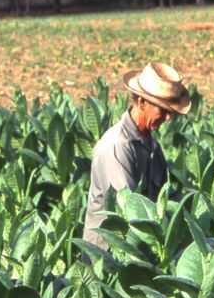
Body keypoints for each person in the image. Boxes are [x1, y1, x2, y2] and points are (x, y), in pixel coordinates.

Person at [82, 62, 192, 250]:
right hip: (107, 257)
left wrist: (194, 212)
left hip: (137, 250)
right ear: (142, 103)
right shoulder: (117, 146)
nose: (168, 118)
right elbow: (129, 210)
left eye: (171, 112)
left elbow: (166, 196)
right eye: (163, 110)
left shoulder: (150, 143)